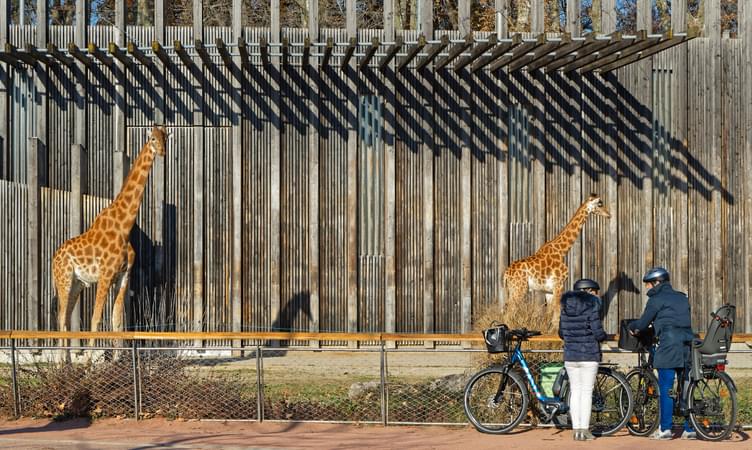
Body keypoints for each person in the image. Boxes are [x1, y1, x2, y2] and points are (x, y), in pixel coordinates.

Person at [629, 267, 696, 440]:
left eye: (648, 284)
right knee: (686, 387)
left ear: (656, 283)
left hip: (668, 345)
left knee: (666, 387)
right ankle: (689, 429)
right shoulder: (682, 297)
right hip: (688, 344)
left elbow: (643, 323)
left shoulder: (656, 299)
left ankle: (665, 429)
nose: (647, 288)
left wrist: (632, 327)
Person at [559, 278, 607, 441]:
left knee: (575, 391)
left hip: (570, 356)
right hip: (588, 355)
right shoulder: (591, 306)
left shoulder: (565, 308)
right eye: (594, 291)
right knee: (586, 393)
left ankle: (576, 430)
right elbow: (598, 332)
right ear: (589, 291)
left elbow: (561, 332)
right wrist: (603, 336)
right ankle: (585, 430)